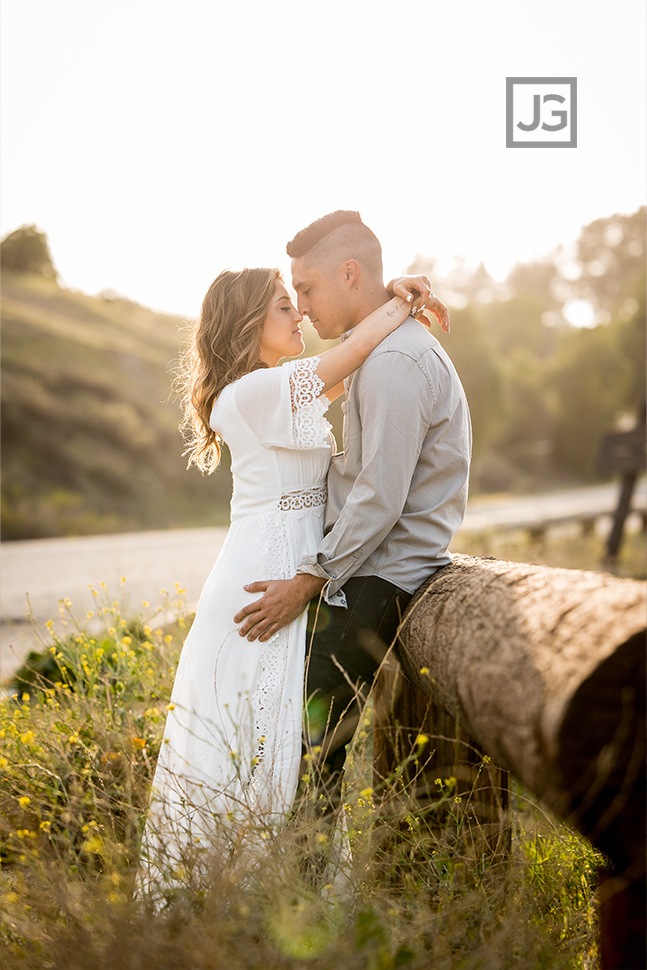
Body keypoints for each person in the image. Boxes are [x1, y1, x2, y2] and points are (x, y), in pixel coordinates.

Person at [137, 262, 442, 897]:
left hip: (297, 570)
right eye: (284, 306)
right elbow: (356, 350)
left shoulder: (277, 388)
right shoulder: (251, 395)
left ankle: (278, 898)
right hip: (263, 580)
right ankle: (235, 902)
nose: (298, 313)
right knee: (259, 743)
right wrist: (402, 298)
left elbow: (360, 373)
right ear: (249, 323)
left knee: (283, 743)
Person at [234, 210, 472, 826]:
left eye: (306, 290)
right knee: (309, 750)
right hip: (366, 569)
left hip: (379, 576)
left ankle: (302, 901)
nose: (304, 308)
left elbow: (379, 498)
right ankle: (298, 892)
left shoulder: (395, 362)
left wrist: (311, 578)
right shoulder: (373, 352)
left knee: (313, 754)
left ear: (348, 273)